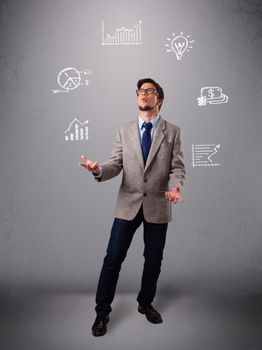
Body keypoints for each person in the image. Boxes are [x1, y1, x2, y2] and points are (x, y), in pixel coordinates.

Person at [80, 78, 186, 337]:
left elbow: (178, 167)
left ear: (158, 99)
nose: (143, 94)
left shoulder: (172, 132)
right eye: (140, 91)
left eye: (149, 91)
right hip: (128, 203)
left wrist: (176, 187)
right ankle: (102, 312)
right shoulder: (123, 130)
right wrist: (99, 170)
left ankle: (145, 302)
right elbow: (116, 164)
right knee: (113, 258)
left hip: (159, 203)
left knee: (153, 261)